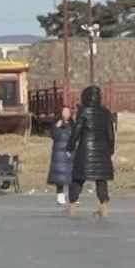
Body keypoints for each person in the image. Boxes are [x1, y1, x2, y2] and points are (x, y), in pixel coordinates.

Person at [67, 85, 116, 218]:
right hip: (102, 150)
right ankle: (104, 206)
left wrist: (70, 145)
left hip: (85, 150)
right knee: (101, 179)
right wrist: (110, 149)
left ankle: (72, 205)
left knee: (78, 178)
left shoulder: (84, 112)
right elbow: (110, 134)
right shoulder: (106, 114)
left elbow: (77, 131)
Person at [47, 104, 76, 205]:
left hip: (70, 153)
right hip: (59, 154)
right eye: (64, 112)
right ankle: (60, 195)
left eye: (67, 112)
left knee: (72, 175)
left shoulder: (73, 124)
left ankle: (73, 197)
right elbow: (52, 135)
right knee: (59, 176)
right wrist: (56, 127)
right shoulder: (57, 123)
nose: (66, 114)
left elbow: (76, 137)